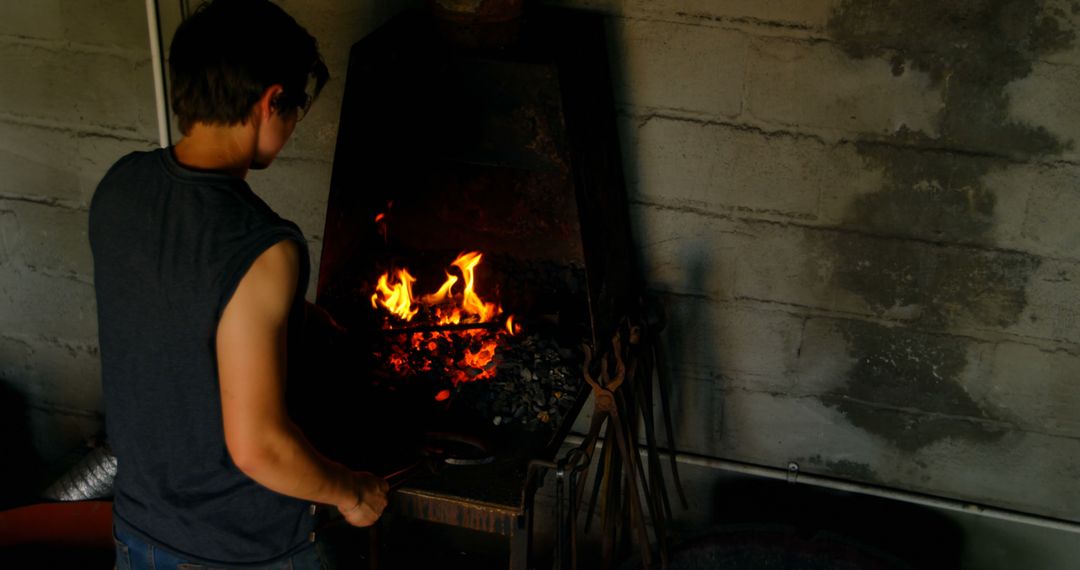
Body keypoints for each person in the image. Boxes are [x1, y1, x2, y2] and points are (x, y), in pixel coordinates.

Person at [88, 1, 387, 567]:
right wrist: (353, 492)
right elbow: (259, 448)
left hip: (139, 530)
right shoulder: (262, 246)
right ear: (271, 101)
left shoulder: (118, 187)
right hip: (242, 551)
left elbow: (175, 313)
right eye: (295, 107)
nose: (294, 124)